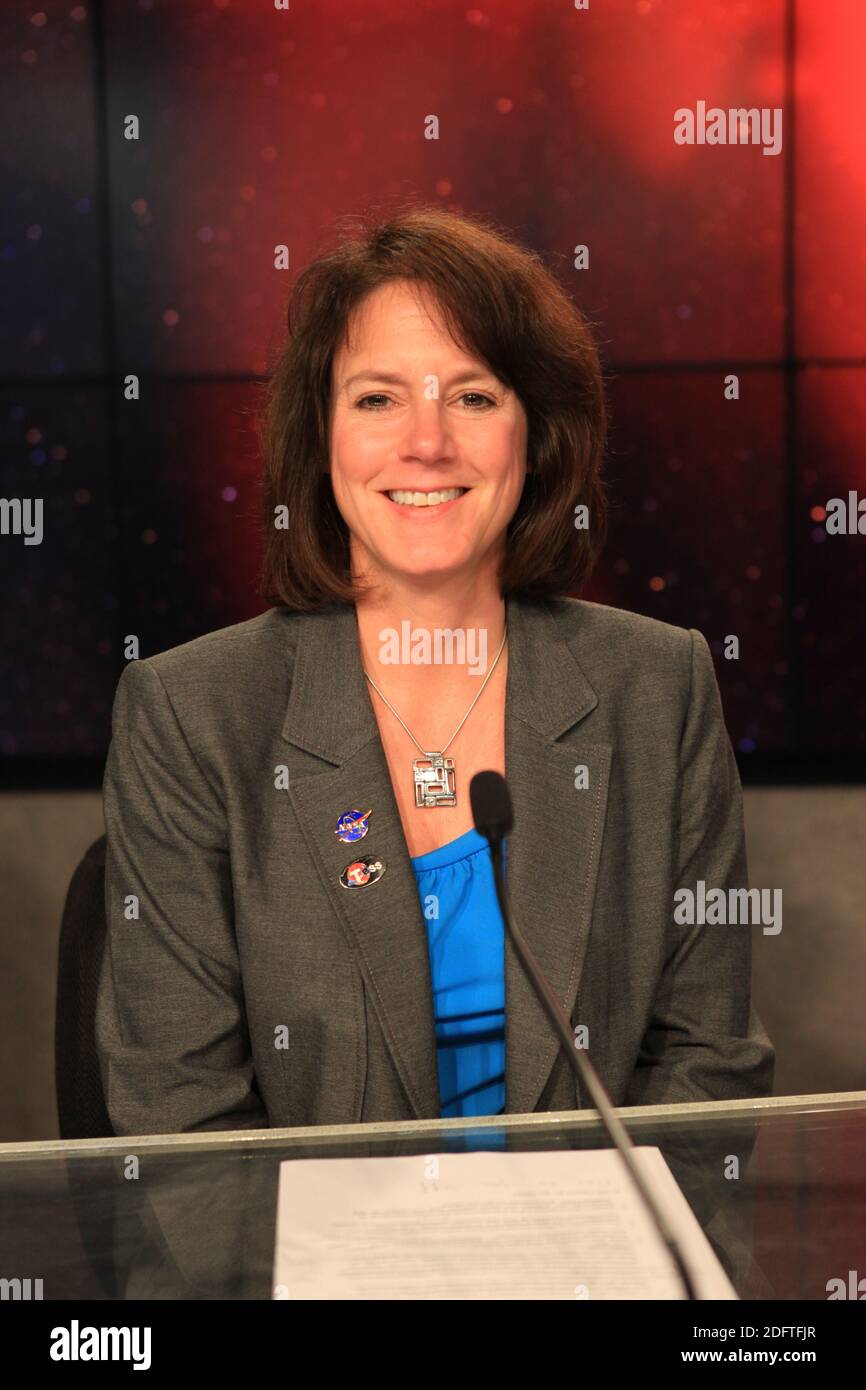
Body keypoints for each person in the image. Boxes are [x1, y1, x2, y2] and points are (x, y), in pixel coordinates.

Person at [95, 206, 774, 1135]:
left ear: (534, 438)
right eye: (377, 399)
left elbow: (710, 1063)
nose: (427, 443)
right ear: (320, 436)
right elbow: (179, 1118)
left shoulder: (658, 687)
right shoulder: (193, 715)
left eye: (474, 395)